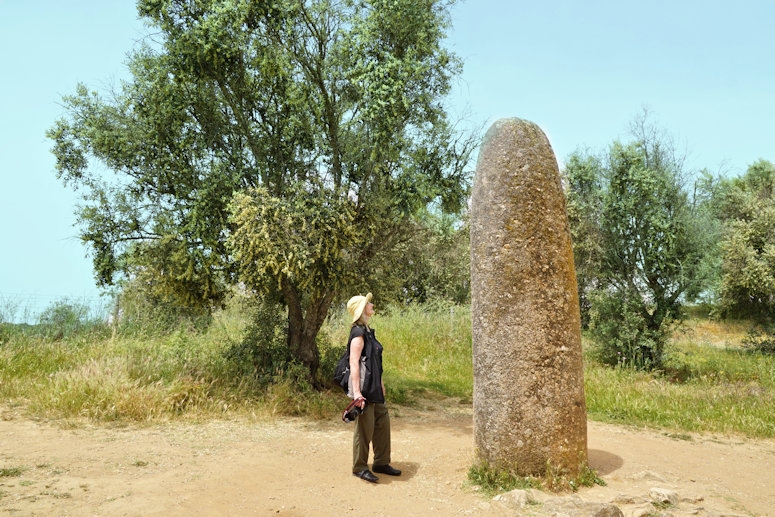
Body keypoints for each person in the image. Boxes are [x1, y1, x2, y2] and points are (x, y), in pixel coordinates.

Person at [345, 293, 402, 483]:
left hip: (375, 387)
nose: (372, 304)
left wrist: (381, 383)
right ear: (362, 309)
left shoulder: (368, 331)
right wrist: (358, 394)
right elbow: (354, 363)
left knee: (382, 424)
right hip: (364, 389)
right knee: (364, 429)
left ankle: (381, 462)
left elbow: (375, 361)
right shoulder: (358, 333)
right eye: (368, 303)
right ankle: (359, 467)